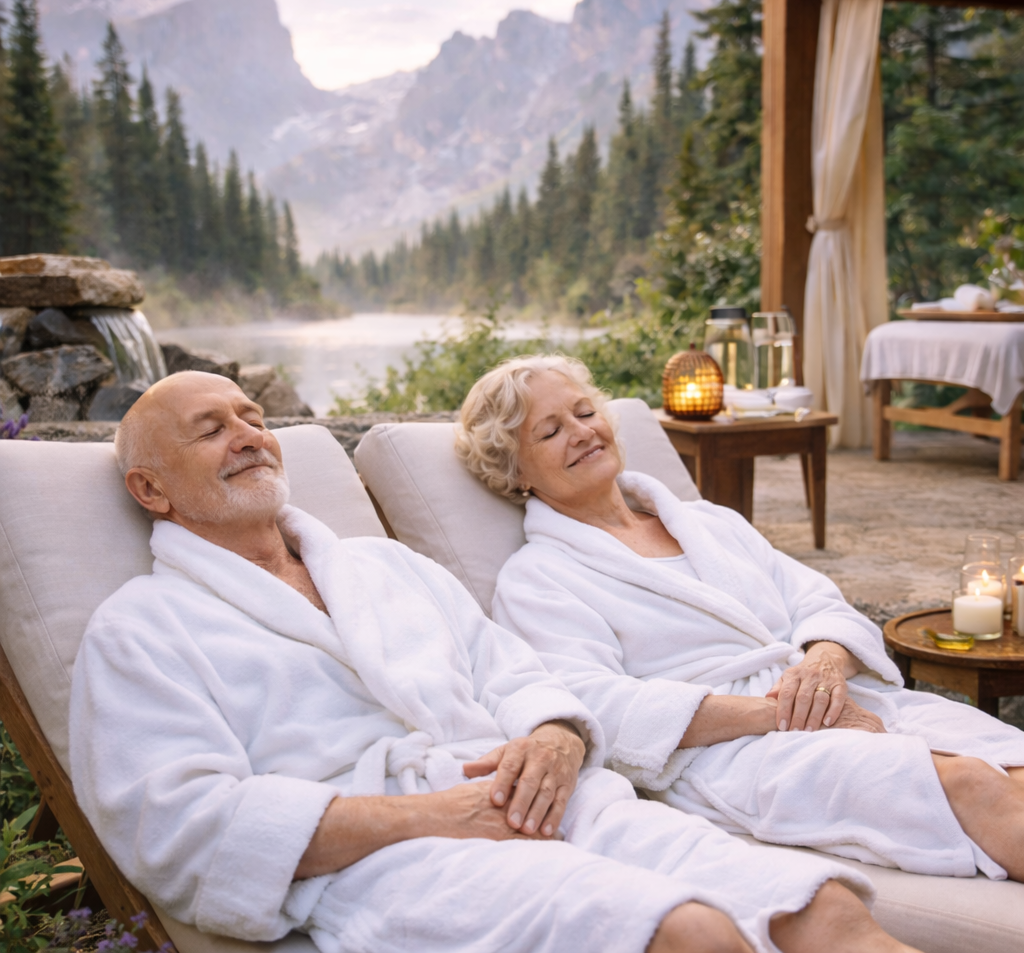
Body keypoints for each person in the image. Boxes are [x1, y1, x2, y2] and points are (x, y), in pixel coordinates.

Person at [68, 370, 917, 953]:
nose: (249, 437)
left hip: (550, 798)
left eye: (253, 417)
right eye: (211, 430)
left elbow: (521, 676)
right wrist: (435, 814)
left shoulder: (382, 567)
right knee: (687, 932)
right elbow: (179, 829)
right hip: (389, 857)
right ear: (152, 489)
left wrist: (554, 740)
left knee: (821, 907)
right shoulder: (141, 631)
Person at [457, 354, 1024, 883]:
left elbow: (821, 605)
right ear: (516, 471)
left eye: (584, 412)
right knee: (970, 782)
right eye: (551, 431)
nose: (581, 432)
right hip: (738, 752)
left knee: (1011, 762)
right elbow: (601, 706)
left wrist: (824, 665)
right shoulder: (538, 578)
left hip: (832, 701)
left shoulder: (708, 522)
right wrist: (778, 712)